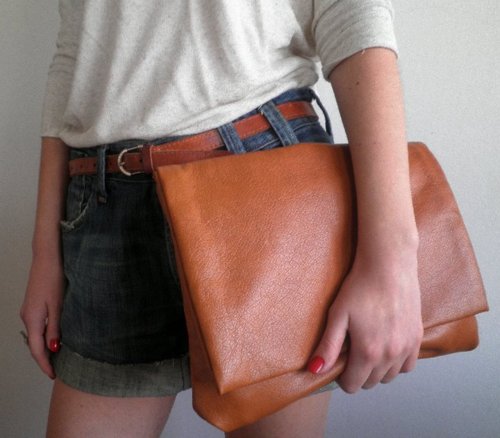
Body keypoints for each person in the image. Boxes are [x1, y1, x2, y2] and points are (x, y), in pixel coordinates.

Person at [20, 1, 423, 437]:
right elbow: (74, 51)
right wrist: (45, 251)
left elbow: (351, 12)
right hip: (106, 201)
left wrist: (392, 258)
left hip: (262, 184)